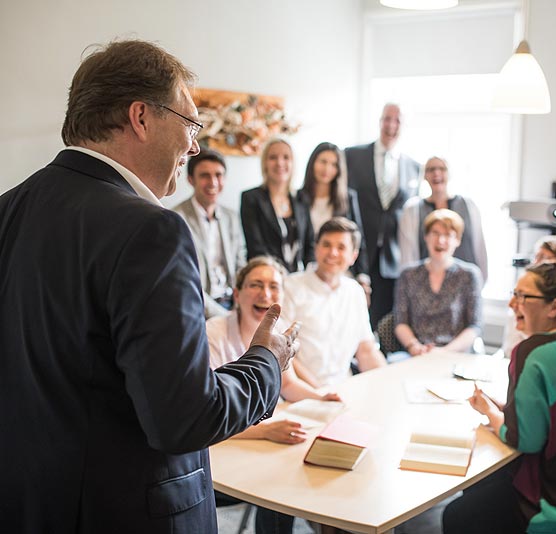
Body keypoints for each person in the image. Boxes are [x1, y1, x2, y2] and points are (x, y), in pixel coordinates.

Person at [0, 40, 295, 533]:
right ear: (141, 117)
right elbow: (183, 418)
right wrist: (265, 362)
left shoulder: (8, 210)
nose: (195, 146)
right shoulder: (151, 230)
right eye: (191, 124)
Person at [443, 259, 556, 534]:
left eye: (523, 297)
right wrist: (505, 408)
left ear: (554, 307)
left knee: (457, 515)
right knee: (483, 488)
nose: (511, 305)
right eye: (513, 295)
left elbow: (524, 440)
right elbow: (554, 414)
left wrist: (489, 412)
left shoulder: (531, 352)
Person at [206, 255, 340, 534]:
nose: (265, 294)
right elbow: (210, 413)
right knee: (280, 488)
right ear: (237, 293)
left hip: (264, 444)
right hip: (221, 451)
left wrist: (319, 396)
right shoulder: (213, 334)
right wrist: (265, 431)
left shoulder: (276, 333)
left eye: (273, 286)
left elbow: (288, 385)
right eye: (256, 285)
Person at [283, 217, 387, 387]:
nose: (333, 253)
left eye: (341, 247)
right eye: (326, 245)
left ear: (353, 256)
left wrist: (387, 380)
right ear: (316, 248)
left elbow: (366, 350)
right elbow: (283, 353)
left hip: (344, 388)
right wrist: (319, 392)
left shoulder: (355, 291)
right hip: (299, 391)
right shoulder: (290, 286)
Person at [346, 103, 421, 329]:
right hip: (358, 253)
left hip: (393, 258)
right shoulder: (353, 155)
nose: (391, 125)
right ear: (380, 121)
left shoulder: (414, 167)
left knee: (383, 322)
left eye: (397, 120)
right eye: (387, 119)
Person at [393, 209, 482, 356]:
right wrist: (415, 347)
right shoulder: (408, 275)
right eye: (435, 233)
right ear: (426, 237)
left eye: (448, 235)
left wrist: (444, 352)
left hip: (455, 353)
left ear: (457, 240)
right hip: (417, 352)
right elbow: (400, 322)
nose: (440, 240)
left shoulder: (469, 275)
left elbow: (475, 326)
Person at [173, 148, 247, 318]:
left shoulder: (232, 217)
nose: (213, 182)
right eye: (205, 175)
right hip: (198, 306)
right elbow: (184, 278)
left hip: (233, 302)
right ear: (191, 180)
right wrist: (223, 317)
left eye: (218, 175)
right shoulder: (177, 219)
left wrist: (241, 304)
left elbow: (240, 264)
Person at [398, 156, 488, 284]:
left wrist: (480, 281)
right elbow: (407, 254)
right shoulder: (413, 209)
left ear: (449, 174)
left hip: (463, 285)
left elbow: (479, 245)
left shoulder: (468, 205)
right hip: (425, 285)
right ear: (424, 176)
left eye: (442, 168)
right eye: (431, 169)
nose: (436, 173)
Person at [297, 141, 369, 285]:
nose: (327, 169)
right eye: (323, 162)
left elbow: (357, 237)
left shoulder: (347, 198)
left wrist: (363, 275)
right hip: (309, 271)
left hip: (341, 271)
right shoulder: (298, 198)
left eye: (333, 164)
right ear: (312, 163)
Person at [241, 137, 315, 272]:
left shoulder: (301, 198)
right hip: (267, 276)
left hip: (299, 278)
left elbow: (310, 243)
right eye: (273, 157)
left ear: (293, 163)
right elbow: (256, 247)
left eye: (286, 157)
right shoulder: (251, 198)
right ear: (265, 163)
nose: (280, 163)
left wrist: (310, 272)